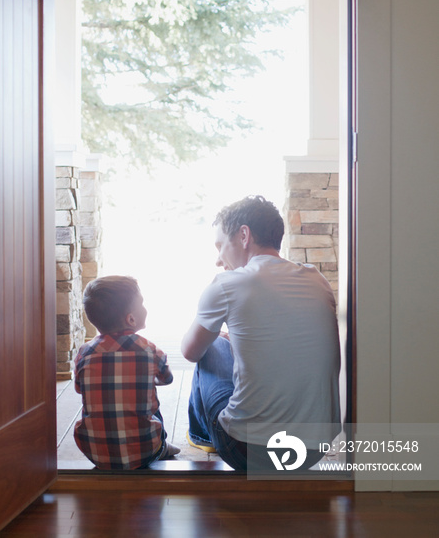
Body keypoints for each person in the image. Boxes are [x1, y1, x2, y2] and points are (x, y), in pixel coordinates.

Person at [181, 195, 341, 472]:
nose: (219, 260)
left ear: (244, 235)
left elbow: (189, 351)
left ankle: (202, 436)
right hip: (313, 451)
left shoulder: (227, 284)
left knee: (214, 346)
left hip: (248, 451)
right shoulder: (316, 278)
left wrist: (219, 331)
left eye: (220, 246)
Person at [74, 275, 180, 470]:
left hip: (95, 453)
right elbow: (167, 379)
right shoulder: (149, 349)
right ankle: (162, 445)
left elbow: (80, 388)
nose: (145, 308)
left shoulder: (85, 352)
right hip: (145, 452)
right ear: (131, 319)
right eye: (142, 303)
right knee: (150, 401)